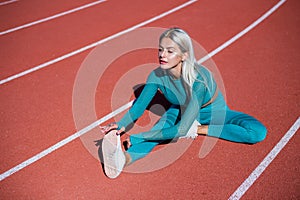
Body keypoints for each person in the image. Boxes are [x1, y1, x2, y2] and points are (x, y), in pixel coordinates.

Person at [100, 28, 267, 179]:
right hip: (180, 110)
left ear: (184, 54)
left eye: (170, 51)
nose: (162, 55)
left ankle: (200, 129)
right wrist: (120, 125)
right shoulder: (156, 76)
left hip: (212, 112)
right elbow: (139, 106)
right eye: (160, 49)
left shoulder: (199, 79)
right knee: (159, 131)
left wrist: (139, 136)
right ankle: (124, 160)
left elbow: (181, 130)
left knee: (257, 132)